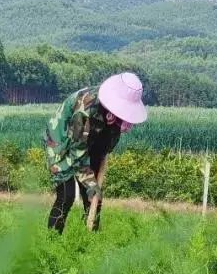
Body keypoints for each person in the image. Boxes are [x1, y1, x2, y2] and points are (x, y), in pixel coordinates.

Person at [43, 72, 147, 233]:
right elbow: (77, 155)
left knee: (94, 198)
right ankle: (51, 244)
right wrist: (91, 184)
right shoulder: (85, 111)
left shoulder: (117, 119)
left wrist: (94, 186)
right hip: (62, 143)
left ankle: (90, 241)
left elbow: (104, 147)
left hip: (90, 143)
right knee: (66, 196)